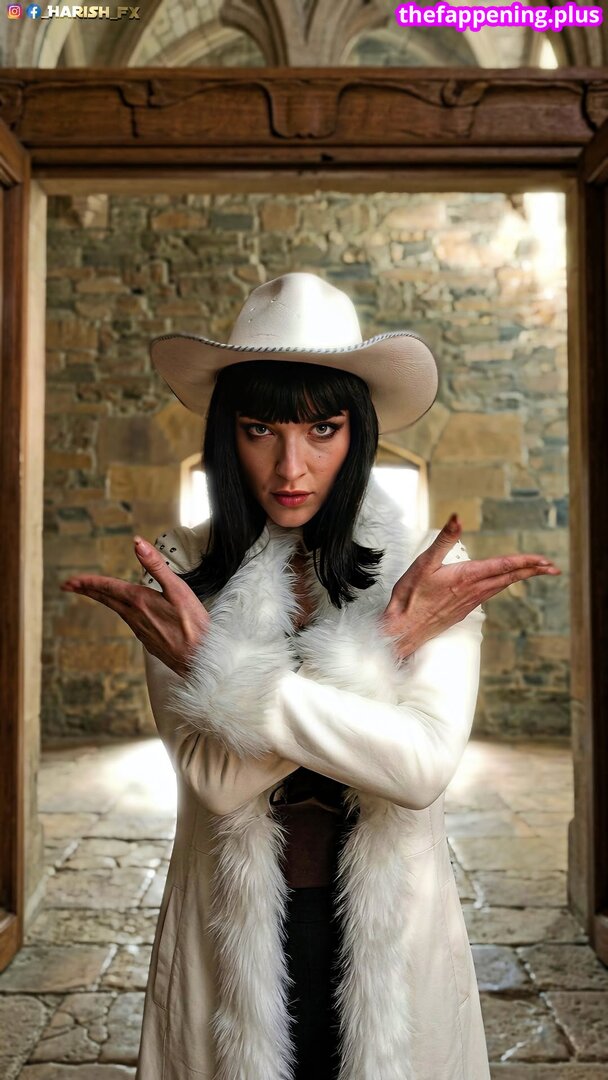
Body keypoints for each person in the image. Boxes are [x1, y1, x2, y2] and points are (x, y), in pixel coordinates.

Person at [60, 272, 560, 1080]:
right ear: (226, 434)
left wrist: (225, 672)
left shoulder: (425, 571)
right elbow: (218, 780)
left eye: (322, 429)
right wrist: (377, 660)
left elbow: (420, 767)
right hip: (230, 937)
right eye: (261, 429)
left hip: (392, 938)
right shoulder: (179, 570)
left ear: (356, 433)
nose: (291, 466)